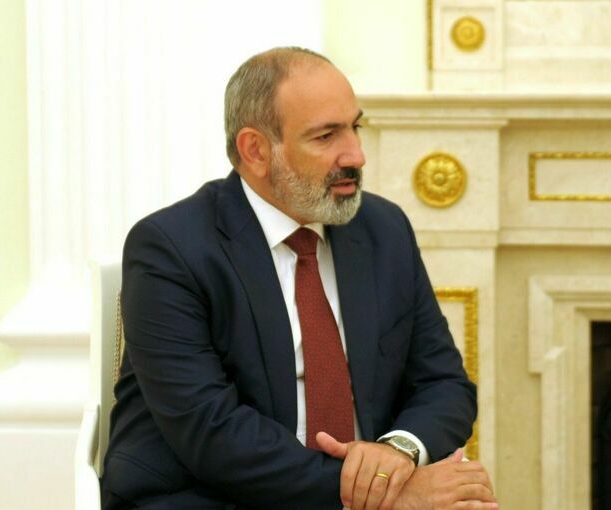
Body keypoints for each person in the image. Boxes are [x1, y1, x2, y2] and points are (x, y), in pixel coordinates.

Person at [101, 47, 498, 510]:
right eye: (326, 136)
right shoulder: (171, 248)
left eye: (355, 127)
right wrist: (383, 494)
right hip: (210, 496)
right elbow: (211, 432)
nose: (356, 155)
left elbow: (444, 384)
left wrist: (397, 453)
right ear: (256, 150)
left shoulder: (383, 230)